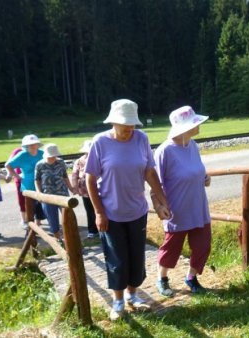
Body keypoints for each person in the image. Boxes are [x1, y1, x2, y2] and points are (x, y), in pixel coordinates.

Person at [85, 99, 170, 321]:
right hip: (111, 213)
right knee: (117, 259)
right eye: (125, 126)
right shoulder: (100, 142)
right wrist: (99, 212)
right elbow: (90, 179)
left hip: (137, 211)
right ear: (113, 122)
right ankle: (118, 300)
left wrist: (164, 200)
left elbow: (150, 173)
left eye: (132, 125)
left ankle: (133, 295)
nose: (129, 130)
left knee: (136, 257)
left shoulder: (141, 139)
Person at [152, 105, 211, 296]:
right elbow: (156, 183)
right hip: (176, 209)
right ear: (184, 128)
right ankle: (162, 278)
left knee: (203, 245)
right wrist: (160, 205)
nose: (199, 126)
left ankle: (191, 277)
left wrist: (204, 177)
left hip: (198, 206)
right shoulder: (164, 151)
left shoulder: (192, 145)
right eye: (195, 123)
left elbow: (195, 170)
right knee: (172, 248)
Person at [5, 134, 46, 229]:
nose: (32, 146)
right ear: (26, 146)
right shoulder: (22, 155)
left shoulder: (42, 153)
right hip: (27, 184)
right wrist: (16, 176)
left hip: (41, 183)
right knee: (30, 206)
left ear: (37, 144)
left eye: (34, 144)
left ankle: (38, 223)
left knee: (40, 204)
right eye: (29, 145)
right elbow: (8, 165)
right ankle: (30, 226)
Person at [35, 143, 73, 242]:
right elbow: (37, 180)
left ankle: (70, 238)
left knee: (68, 217)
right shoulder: (40, 164)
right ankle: (58, 238)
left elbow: (65, 176)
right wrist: (39, 193)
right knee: (52, 218)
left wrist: (71, 188)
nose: (52, 157)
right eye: (50, 156)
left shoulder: (61, 162)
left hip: (62, 194)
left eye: (53, 156)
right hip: (48, 195)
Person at [71, 140, 98, 239]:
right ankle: (93, 230)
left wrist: (76, 188)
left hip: (92, 189)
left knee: (92, 210)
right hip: (88, 189)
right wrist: (76, 188)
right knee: (92, 209)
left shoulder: (81, 160)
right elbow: (74, 175)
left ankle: (94, 230)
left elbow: (74, 175)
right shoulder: (80, 161)